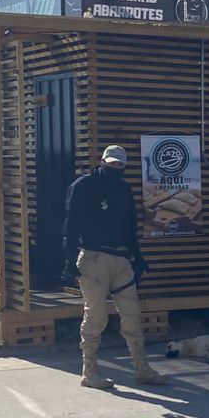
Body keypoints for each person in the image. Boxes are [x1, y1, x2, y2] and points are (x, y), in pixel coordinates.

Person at [62, 144, 168, 389]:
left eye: (119, 164)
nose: (115, 168)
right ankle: (90, 371)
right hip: (93, 257)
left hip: (121, 258)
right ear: (102, 162)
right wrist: (68, 261)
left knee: (132, 315)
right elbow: (71, 224)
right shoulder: (84, 186)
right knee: (96, 316)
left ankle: (142, 368)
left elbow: (130, 225)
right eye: (111, 163)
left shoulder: (123, 189)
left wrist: (137, 257)